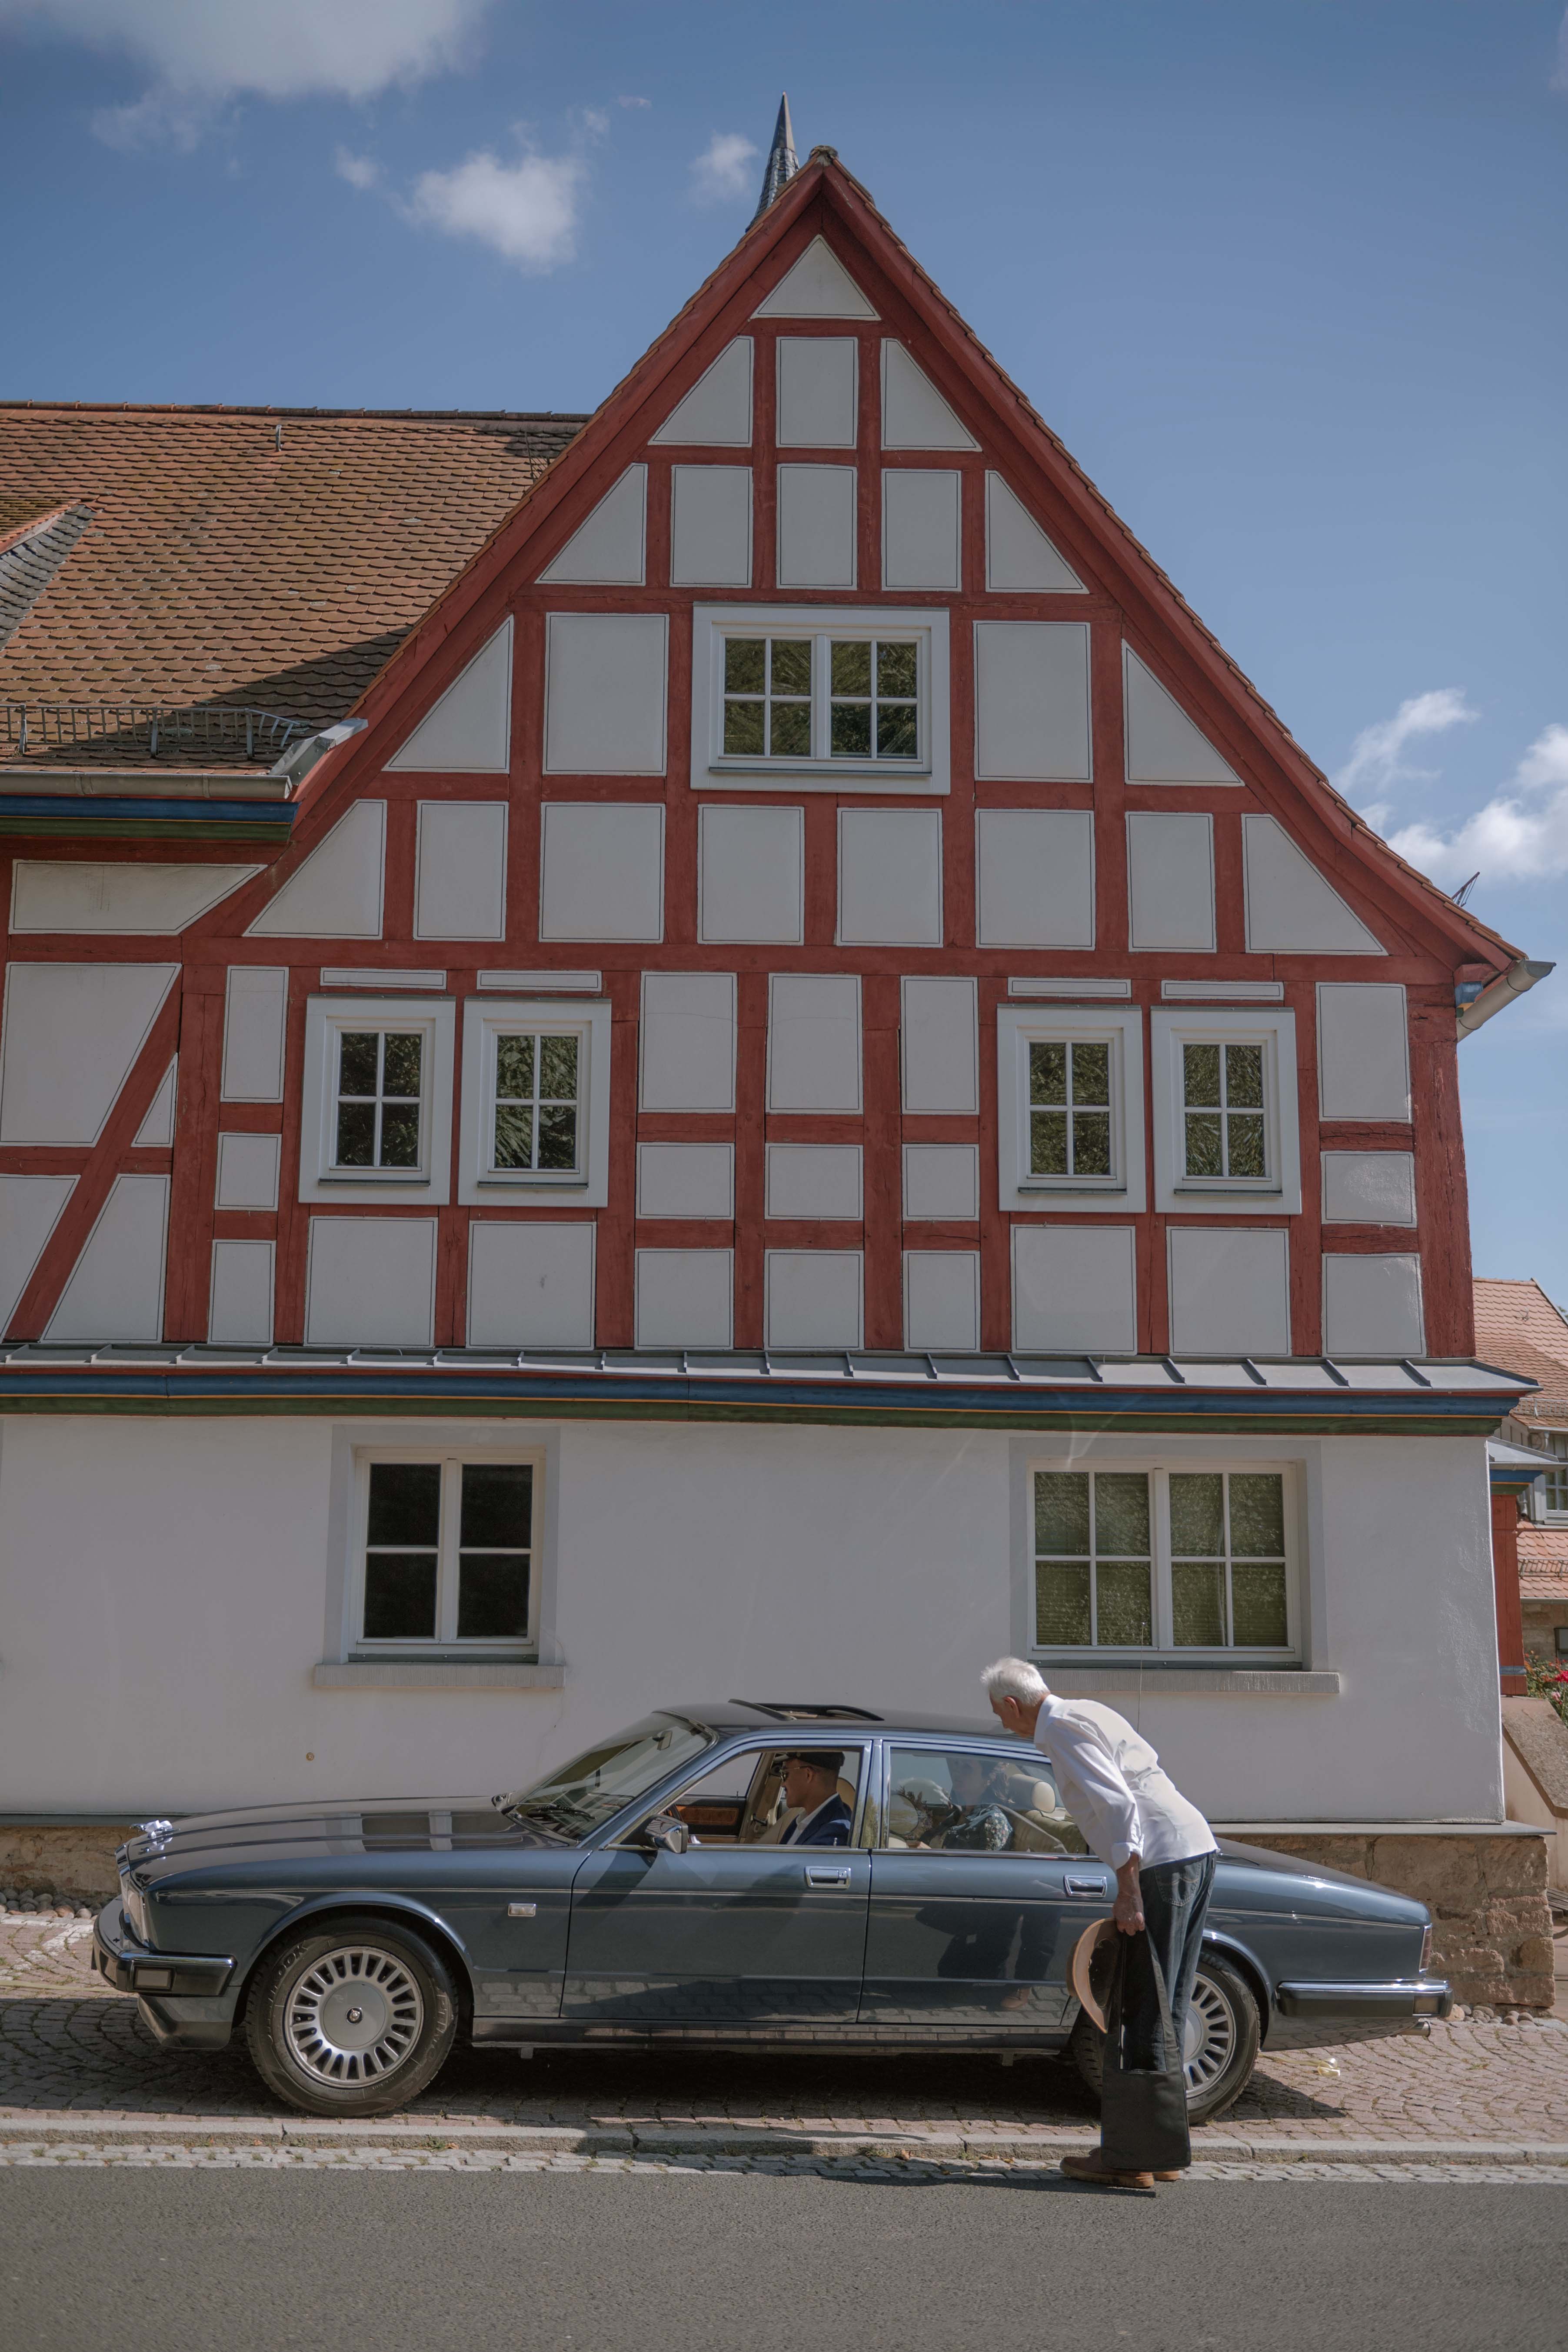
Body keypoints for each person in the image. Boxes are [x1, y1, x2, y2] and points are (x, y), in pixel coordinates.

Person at [981, 1656, 1217, 2190]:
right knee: (1165, 2003)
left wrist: (1127, 1889)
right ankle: (1158, 2149)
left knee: (1140, 2005)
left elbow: (1116, 1805)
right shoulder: (1084, 1711)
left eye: (1000, 1713)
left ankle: (1130, 2159)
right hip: (1190, 1848)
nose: (1002, 1724)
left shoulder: (1062, 1728)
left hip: (1160, 1861)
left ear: (1013, 1705)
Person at [775, 1750, 852, 1847]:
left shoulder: (833, 1834)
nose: (783, 1784)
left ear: (808, 1775)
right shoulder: (807, 1819)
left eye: (785, 1774)